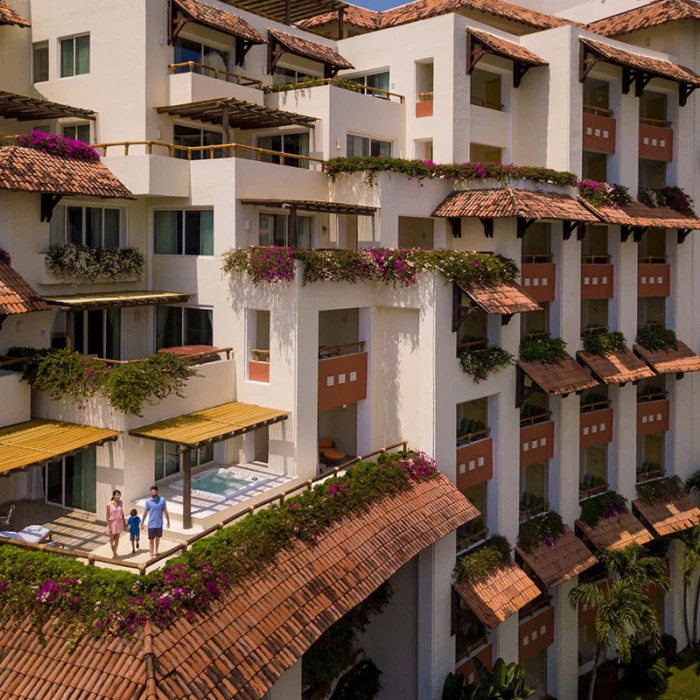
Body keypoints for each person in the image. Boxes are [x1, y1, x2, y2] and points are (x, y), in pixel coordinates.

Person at [141, 485, 170, 557]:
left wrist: (168, 521)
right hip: (151, 524)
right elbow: (145, 512)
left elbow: (165, 511)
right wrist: (142, 522)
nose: (154, 494)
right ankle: (151, 554)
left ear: (157, 492)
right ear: (151, 493)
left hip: (159, 524)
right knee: (151, 540)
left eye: (155, 492)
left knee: (158, 538)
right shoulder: (148, 502)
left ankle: (156, 550)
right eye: (152, 492)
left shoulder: (162, 500)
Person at [106, 489, 126, 559]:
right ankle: (112, 547)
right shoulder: (109, 504)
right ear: (114, 496)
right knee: (112, 538)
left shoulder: (121, 502)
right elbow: (107, 516)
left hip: (119, 522)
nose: (118, 496)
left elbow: (122, 512)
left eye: (119, 495)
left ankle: (114, 553)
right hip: (112, 523)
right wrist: (108, 526)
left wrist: (124, 522)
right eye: (117, 495)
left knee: (117, 538)